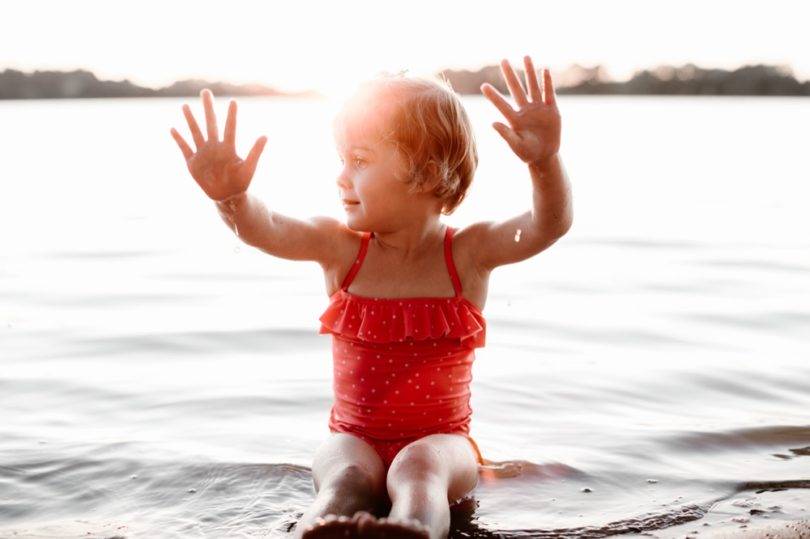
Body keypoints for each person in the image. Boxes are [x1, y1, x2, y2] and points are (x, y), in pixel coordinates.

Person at [170, 54, 573, 539]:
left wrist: (544, 162)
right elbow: (267, 228)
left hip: (445, 445)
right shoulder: (340, 250)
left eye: (359, 161)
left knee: (419, 468)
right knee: (344, 476)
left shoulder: (466, 254)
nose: (342, 177)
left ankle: (412, 530)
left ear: (425, 174)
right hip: (353, 439)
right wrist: (230, 198)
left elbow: (546, 225)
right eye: (342, 160)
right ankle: (316, 531)